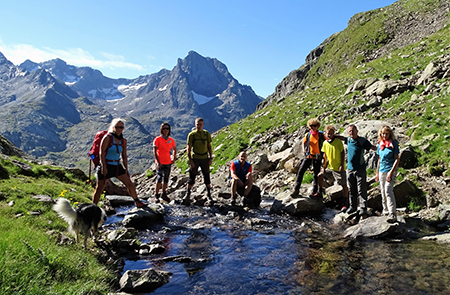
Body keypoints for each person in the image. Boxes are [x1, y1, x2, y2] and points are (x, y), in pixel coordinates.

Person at [92, 118, 145, 208]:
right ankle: (93, 207)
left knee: (129, 184)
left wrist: (126, 169)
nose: (119, 129)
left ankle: (137, 201)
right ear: (113, 127)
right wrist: (104, 167)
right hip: (106, 165)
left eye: (121, 127)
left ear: (123, 128)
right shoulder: (107, 138)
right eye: (117, 127)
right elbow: (101, 152)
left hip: (117, 165)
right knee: (99, 188)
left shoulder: (123, 141)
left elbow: (124, 155)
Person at [337, 124, 376, 216]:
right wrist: (334, 136)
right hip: (350, 169)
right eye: (350, 131)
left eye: (353, 131)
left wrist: (382, 147)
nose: (352, 133)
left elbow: (372, 147)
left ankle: (363, 208)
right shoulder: (348, 140)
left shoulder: (362, 141)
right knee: (351, 189)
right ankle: (353, 206)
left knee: (361, 189)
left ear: (357, 131)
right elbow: (342, 138)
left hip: (360, 169)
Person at [291, 118, 325, 197]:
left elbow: (326, 142)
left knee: (316, 174)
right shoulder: (308, 134)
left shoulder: (321, 134)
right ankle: (296, 189)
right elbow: (304, 142)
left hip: (317, 157)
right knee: (301, 171)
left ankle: (314, 191)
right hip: (308, 155)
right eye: (311, 125)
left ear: (318, 126)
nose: (312, 127)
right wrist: (304, 150)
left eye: (314, 125)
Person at [183, 118, 213, 205]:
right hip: (195, 158)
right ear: (195, 124)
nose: (198, 126)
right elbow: (188, 148)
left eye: (200, 124)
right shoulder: (192, 135)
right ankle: (187, 194)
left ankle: (209, 194)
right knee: (192, 177)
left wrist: (210, 158)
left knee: (206, 176)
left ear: (203, 124)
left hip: (204, 158)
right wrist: (190, 160)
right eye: (197, 124)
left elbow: (209, 146)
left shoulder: (206, 134)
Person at [319, 125, 349, 211]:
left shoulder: (338, 141)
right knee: (319, 175)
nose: (329, 135)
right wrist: (323, 167)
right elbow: (325, 156)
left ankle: (345, 201)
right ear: (325, 133)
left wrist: (342, 165)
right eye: (328, 133)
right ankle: (319, 192)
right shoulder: (325, 143)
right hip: (329, 166)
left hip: (338, 167)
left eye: (331, 133)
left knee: (343, 184)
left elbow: (342, 153)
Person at [375, 126, 400, 223]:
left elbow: (397, 159)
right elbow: (379, 159)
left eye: (386, 133)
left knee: (388, 190)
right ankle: (385, 211)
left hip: (390, 170)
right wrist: (377, 173)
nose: (384, 135)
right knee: (382, 191)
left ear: (390, 134)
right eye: (382, 134)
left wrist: (391, 172)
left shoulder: (394, 144)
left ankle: (392, 213)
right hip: (381, 170)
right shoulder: (380, 145)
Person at [153, 123, 177, 203]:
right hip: (160, 162)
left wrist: (173, 158)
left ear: (169, 130)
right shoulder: (157, 139)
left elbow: (174, 149)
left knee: (166, 178)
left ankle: (163, 193)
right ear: (161, 129)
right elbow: (155, 151)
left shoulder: (171, 140)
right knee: (159, 178)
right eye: (164, 128)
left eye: (167, 128)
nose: (165, 130)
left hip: (168, 161)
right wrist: (158, 162)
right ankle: (156, 195)